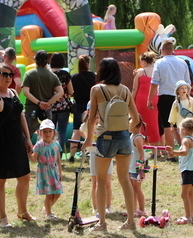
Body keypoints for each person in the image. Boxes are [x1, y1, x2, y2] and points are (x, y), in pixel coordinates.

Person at [83, 58, 139, 231]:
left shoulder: (97, 89)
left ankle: (102, 223)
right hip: (123, 137)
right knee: (125, 180)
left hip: (105, 137)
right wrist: (125, 128)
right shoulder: (125, 90)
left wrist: (88, 139)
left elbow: (92, 119)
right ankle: (130, 221)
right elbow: (136, 119)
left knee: (101, 181)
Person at [0, 63, 36, 227]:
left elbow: (20, 116)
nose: (7, 78)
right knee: (0, 180)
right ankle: (2, 218)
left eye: (10, 75)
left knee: (24, 177)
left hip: (15, 141)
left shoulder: (13, 92)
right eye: (4, 74)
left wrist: (27, 138)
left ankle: (22, 211)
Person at [147, 40, 190, 162]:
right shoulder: (182, 62)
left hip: (166, 96)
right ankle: (185, 150)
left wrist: (149, 99)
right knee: (181, 125)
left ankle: (171, 154)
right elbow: (188, 82)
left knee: (167, 126)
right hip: (181, 95)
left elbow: (154, 83)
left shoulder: (159, 63)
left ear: (162, 50)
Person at [79, 103, 113, 215]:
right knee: (95, 182)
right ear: (88, 112)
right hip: (93, 154)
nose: (97, 114)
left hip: (106, 153)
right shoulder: (86, 125)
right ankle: (95, 206)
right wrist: (87, 139)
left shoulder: (105, 124)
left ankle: (108, 206)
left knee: (107, 182)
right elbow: (81, 130)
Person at [166, 118, 193, 225]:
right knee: (190, 194)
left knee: (184, 194)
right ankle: (191, 215)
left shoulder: (186, 140)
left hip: (188, 170)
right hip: (192, 170)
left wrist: (173, 152)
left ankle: (187, 217)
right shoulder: (192, 139)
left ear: (184, 130)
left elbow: (184, 152)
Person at [22, 50, 64, 137]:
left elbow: (26, 92)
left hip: (31, 109)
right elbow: (60, 92)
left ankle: (27, 150)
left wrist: (38, 103)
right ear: (47, 61)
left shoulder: (29, 74)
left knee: (27, 136)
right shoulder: (52, 76)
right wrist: (47, 103)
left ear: (35, 60)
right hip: (46, 110)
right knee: (47, 136)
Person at [28, 119, 63, 220]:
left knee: (57, 193)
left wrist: (60, 172)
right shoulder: (39, 145)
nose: (47, 134)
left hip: (54, 171)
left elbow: (58, 160)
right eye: (44, 131)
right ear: (40, 133)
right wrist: (29, 152)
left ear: (54, 132)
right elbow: (34, 159)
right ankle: (49, 213)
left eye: (50, 131)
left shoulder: (56, 144)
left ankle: (46, 208)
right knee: (49, 194)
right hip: (44, 172)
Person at [132, 52, 161, 156]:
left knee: (140, 124)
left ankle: (140, 150)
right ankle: (156, 151)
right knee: (154, 124)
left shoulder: (140, 72)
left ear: (144, 61)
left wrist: (131, 100)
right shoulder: (156, 71)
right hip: (154, 99)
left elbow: (135, 88)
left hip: (141, 100)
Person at [69, 55, 96, 162]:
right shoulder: (94, 76)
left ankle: (71, 156)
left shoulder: (74, 77)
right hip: (92, 105)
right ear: (88, 64)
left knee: (76, 131)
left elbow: (71, 93)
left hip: (79, 106)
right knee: (93, 129)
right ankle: (92, 152)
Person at [50, 52, 74, 153]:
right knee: (62, 131)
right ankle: (58, 155)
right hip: (64, 107)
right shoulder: (65, 74)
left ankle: (50, 153)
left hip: (50, 105)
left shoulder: (48, 73)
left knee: (50, 130)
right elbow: (71, 91)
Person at [129, 117, 148, 218]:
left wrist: (141, 169)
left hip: (137, 168)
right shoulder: (132, 136)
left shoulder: (138, 138)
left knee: (137, 189)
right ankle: (133, 209)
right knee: (132, 189)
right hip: (131, 166)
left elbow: (141, 154)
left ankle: (141, 209)